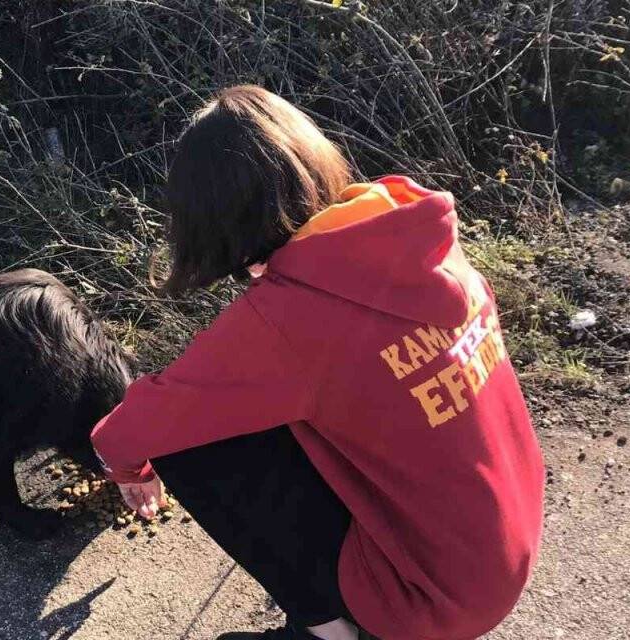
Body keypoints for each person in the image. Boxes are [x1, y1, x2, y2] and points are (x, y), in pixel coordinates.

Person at [90, 85, 544, 640]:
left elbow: (127, 431)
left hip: (431, 601)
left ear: (215, 222)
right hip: (505, 544)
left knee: (187, 443)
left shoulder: (287, 317)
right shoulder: (412, 231)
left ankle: (330, 632)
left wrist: (131, 472)